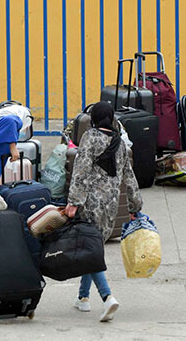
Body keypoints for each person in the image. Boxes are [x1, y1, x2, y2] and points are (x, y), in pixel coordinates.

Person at [66, 101, 143, 323]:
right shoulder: (120, 143)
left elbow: (80, 172)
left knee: (91, 252)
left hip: (90, 204)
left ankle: (107, 296)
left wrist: (73, 202)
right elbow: (129, 177)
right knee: (93, 248)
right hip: (110, 208)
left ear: (93, 119)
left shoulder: (90, 137)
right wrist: (134, 207)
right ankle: (83, 297)